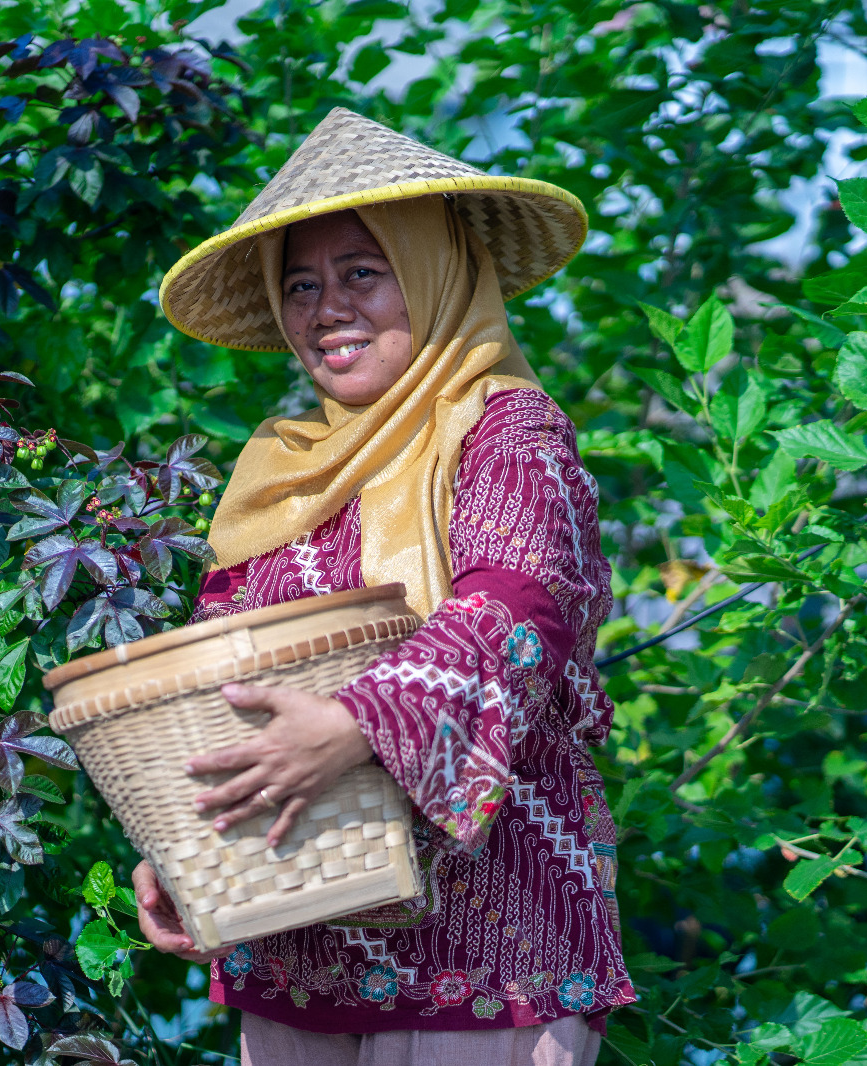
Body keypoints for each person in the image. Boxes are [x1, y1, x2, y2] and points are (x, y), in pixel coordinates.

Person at [133, 107, 635, 1066]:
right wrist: (183, 845)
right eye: (303, 284)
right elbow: (221, 688)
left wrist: (357, 723)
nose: (327, 308)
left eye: (365, 272)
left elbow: (516, 612)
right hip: (299, 940)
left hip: (489, 952)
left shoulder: (509, 436)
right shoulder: (282, 473)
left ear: (437, 276)